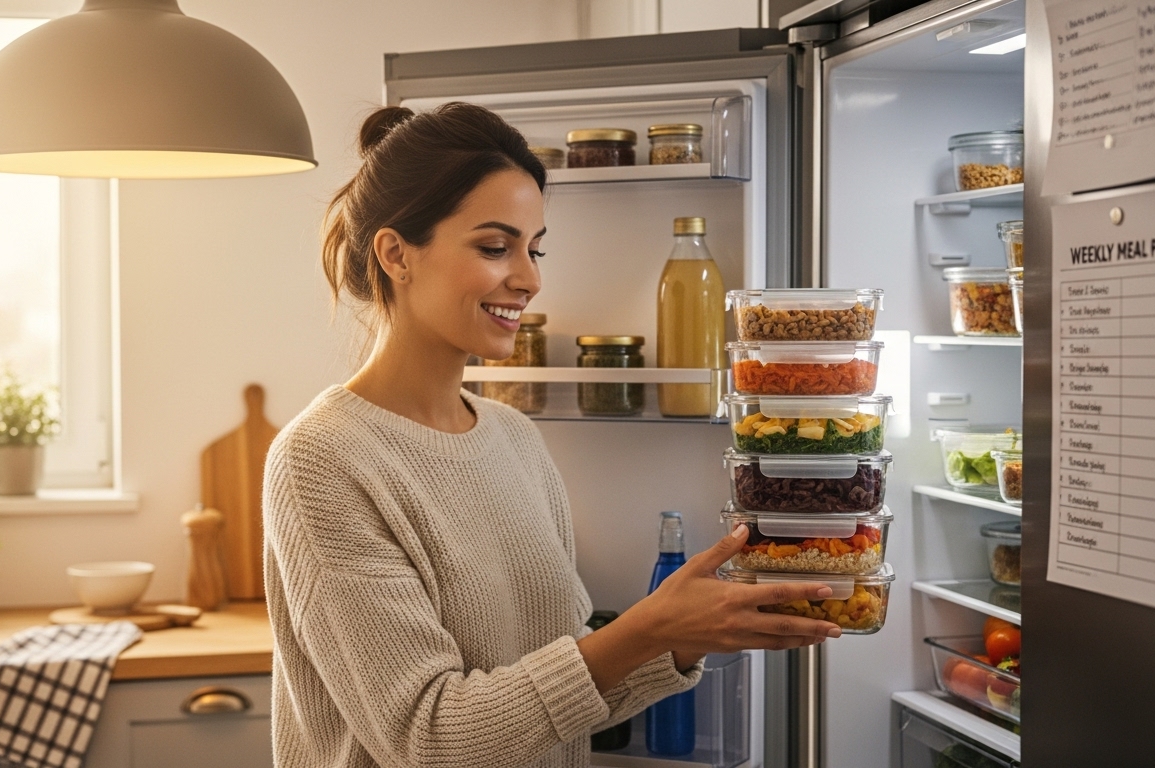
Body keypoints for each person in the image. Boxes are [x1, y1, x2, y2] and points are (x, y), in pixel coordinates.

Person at [262, 102, 842, 768]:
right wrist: (646, 627)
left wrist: (684, 636)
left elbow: (564, 701)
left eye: (534, 250)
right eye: (494, 247)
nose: (530, 279)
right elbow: (429, 737)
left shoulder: (513, 437)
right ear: (396, 254)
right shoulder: (323, 459)